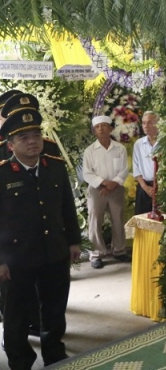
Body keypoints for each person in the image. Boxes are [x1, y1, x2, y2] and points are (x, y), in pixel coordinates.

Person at [0, 107, 82, 370]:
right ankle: (21, 361)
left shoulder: (54, 167)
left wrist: (73, 241)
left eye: (36, 134)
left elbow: (67, 207)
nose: (32, 140)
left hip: (53, 253)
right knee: (17, 316)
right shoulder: (2, 174)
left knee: (54, 310)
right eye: (24, 137)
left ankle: (55, 355)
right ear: (10, 145)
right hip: (16, 259)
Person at [82, 115, 130, 269]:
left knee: (118, 219)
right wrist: (103, 184)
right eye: (97, 127)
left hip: (116, 189)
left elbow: (124, 170)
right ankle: (96, 253)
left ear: (110, 129)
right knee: (95, 220)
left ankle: (119, 250)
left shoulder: (120, 148)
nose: (101, 129)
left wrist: (113, 184)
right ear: (94, 131)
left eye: (104, 126)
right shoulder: (90, 151)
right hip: (97, 190)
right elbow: (87, 173)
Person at [132, 111, 159, 215]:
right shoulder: (139, 144)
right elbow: (136, 168)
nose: (146, 126)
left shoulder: (164, 142)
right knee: (142, 218)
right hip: (144, 187)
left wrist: (157, 186)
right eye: (143, 123)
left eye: (150, 122)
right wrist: (145, 187)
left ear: (157, 123)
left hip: (160, 187)